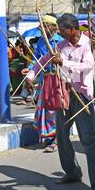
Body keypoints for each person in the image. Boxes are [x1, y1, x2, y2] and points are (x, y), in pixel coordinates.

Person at [28, 13, 95, 190]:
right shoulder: (61, 45)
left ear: (72, 29)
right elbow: (45, 59)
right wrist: (31, 75)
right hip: (63, 94)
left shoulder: (89, 43)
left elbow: (88, 66)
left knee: (89, 139)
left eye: (62, 29)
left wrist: (63, 62)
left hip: (82, 96)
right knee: (62, 136)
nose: (59, 32)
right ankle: (72, 172)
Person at [24, 15, 63, 152]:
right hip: (44, 80)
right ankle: (47, 137)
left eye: (45, 25)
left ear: (53, 27)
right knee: (44, 110)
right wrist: (29, 71)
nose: (42, 28)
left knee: (56, 111)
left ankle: (57, 140)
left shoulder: (62, 41)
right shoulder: (41, 42)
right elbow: (37, 60)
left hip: (59, 81)